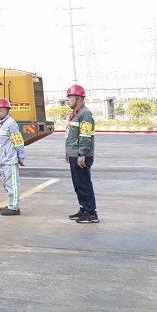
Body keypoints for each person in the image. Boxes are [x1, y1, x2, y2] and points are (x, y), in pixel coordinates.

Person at [64, 84, 98, 223]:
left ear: (78, 98)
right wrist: (68, 152)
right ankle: (84, 209)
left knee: (84, 184)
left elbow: (85, 136)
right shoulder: (74, 114)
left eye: (70, 97)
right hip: (74, 154)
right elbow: (71, 136)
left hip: (81, 156)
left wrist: (82, 154)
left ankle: (91, 213)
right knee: (78, 185)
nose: (67, 99)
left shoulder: (85, 114)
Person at [0, 98, 25, 216]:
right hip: (3, 160)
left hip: (9, 160)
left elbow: (18, 141)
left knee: (13, 185)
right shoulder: (2, 124)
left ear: (7, 110)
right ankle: (11, 204)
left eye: (0, 110)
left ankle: (14, 207)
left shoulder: (10, 124)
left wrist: (21, 157)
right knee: (6, 184)